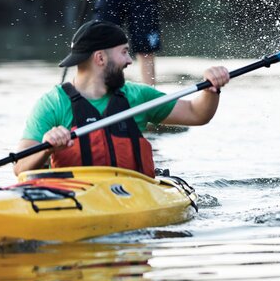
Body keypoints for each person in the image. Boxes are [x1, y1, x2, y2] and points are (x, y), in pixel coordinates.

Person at [14, 21, 230, 176]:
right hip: (72, 199)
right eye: (124, 52)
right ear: (100, 58)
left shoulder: (138, 96)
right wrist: (47, 148)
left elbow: (197, 113)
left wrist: (211, 90)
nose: (129, 60)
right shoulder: (52, 104)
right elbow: (20, 167)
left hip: (132, 196)